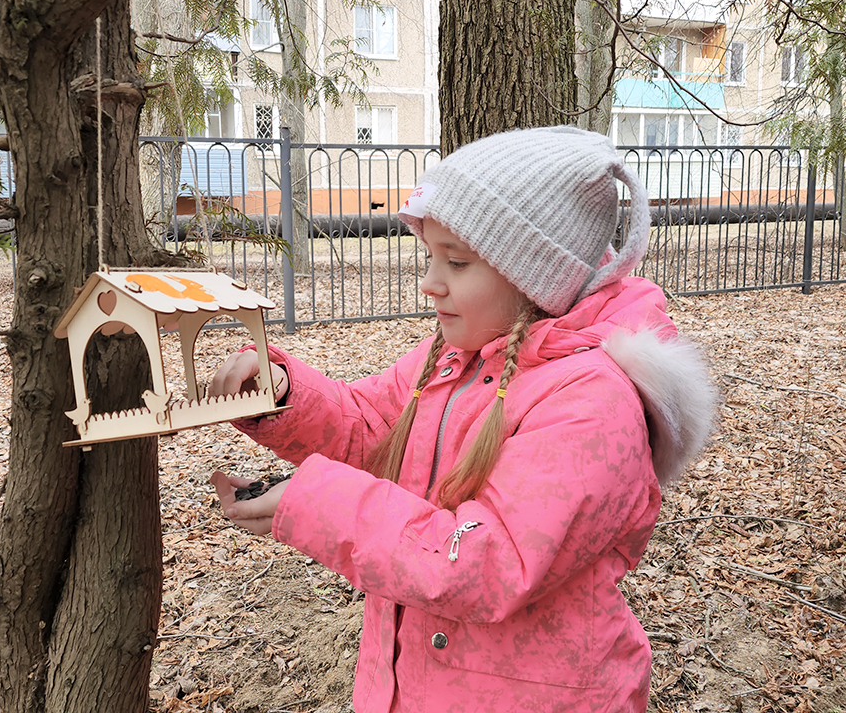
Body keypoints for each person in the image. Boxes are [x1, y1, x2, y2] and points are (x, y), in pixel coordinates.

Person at [208, 126, 717, 713]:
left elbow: (489, 560)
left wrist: (321, 504)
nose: (430, 283)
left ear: (534, 277)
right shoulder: (455, 358)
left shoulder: (591, 400)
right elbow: (372, 428)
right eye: (431, 256)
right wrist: (284, 393)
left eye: (457, 261)